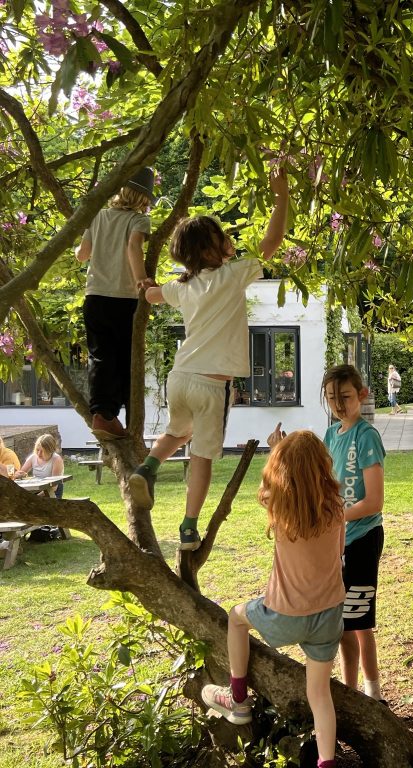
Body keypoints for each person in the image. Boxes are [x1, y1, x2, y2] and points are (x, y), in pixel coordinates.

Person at [128, 168, 289, 550]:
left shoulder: (181, 287)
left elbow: (149, 295)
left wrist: (143, 281)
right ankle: (188, 527)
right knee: (201, 457)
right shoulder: (233, 275)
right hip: (211, 384)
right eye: (222, 237)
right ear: (207, 250)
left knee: (177, 432)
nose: (229, 240)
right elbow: (274, 240)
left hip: (180, 376)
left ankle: (147, 468)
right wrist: (280, 196)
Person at [201, 431, 345, 768]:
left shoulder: (278, 505)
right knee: (320, 696)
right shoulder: (337, 508)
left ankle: (237, 699)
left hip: (284, 615)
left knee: (236, 618)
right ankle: (327, 762)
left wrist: (277, 447)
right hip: (328, 616)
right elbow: (339, 553)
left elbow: (267, 489)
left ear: (281, 469)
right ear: (323, 467)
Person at [76, 167, 155, 440]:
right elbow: (134, 248)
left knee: (101, 356)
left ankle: (104, 415)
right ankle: (122, 418)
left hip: (95, 297)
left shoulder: (97, 216)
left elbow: (82, 255)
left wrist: (79, 248)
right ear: (142, 199)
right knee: (126, 359)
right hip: (124, 299)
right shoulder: (139, 221)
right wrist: (142, 280)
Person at [322, 364, 386, 702]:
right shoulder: (331, 435)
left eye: (345, 397)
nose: (338, 405)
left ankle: (373, 694)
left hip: (362, 538)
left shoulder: (366, 435)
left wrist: (335, 515)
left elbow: (374, 501)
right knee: (341, 621)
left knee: (359, 621)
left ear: (361, 395)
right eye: (331, 398)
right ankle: (349, 695)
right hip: (336, 540)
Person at [15, 433, 65, 498]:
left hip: (52, 492)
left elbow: (54, 487)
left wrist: (36, 497)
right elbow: (21, 473)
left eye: (42, 451)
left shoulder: (56, 460)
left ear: (50, 451)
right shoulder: (33, 457)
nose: (39, 454)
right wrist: (19, 475)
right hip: (37, 489)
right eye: (37, 450)